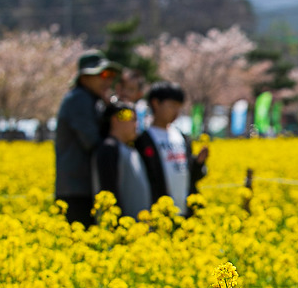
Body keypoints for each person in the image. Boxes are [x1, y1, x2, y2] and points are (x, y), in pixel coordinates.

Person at [54, 50, 121, 226]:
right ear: (84, 78)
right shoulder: (78, 99)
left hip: (82, 188)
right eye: (103, 74)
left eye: (110, 75)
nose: (108, 80)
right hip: (77, 190)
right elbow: (92, 141)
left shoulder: (91, 99)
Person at [135, 82, 208, 218]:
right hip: (158, 214)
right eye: (172, 106)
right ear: (156, 103)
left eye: (179, 107)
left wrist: (198, 163)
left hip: (184, 212)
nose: (176, 112)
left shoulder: (182, 137)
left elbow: (191, 176)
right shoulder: (143, 140)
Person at [92, 102, 151, 220]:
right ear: (115, 120)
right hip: (123, 228)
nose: (136, 124)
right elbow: (109, 189)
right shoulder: (109, 148)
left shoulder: (130, 148)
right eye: (133, 119)